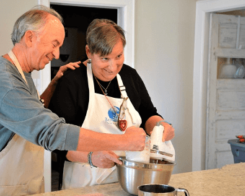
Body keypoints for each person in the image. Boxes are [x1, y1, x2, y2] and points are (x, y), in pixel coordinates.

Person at [0, 6, 147, 196]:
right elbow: (51, 132)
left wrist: (54, 84)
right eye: (54, 44)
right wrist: (122, 141)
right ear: (29, 38)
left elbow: (32, 114)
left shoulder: (21, 75)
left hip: (18, 184)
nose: (57, 54)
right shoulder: (4, 81)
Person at [48, 19, 175, 189]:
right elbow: (60, 143)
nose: (113, 67)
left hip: (129, 182)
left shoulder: (130, 76)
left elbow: (148, 113)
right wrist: (92, 157)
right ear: (88, 51)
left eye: (118, 56)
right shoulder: (72, 81)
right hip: (85, 183)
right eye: (105, 58)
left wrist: (160, 125)